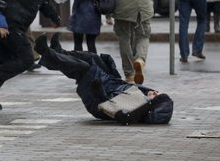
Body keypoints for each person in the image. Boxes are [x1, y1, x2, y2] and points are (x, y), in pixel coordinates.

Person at [33, 33, 174, 124]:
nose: (155, 91)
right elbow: (122, 86)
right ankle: (59, 52)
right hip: (109, 82)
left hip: (97, 95)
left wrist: (98, 91)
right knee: (93, 58)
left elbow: (111, 107)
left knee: (83, 68)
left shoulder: (135, 109)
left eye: (156, 95)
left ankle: (46, 53)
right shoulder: (143, 97)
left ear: (152, 105)